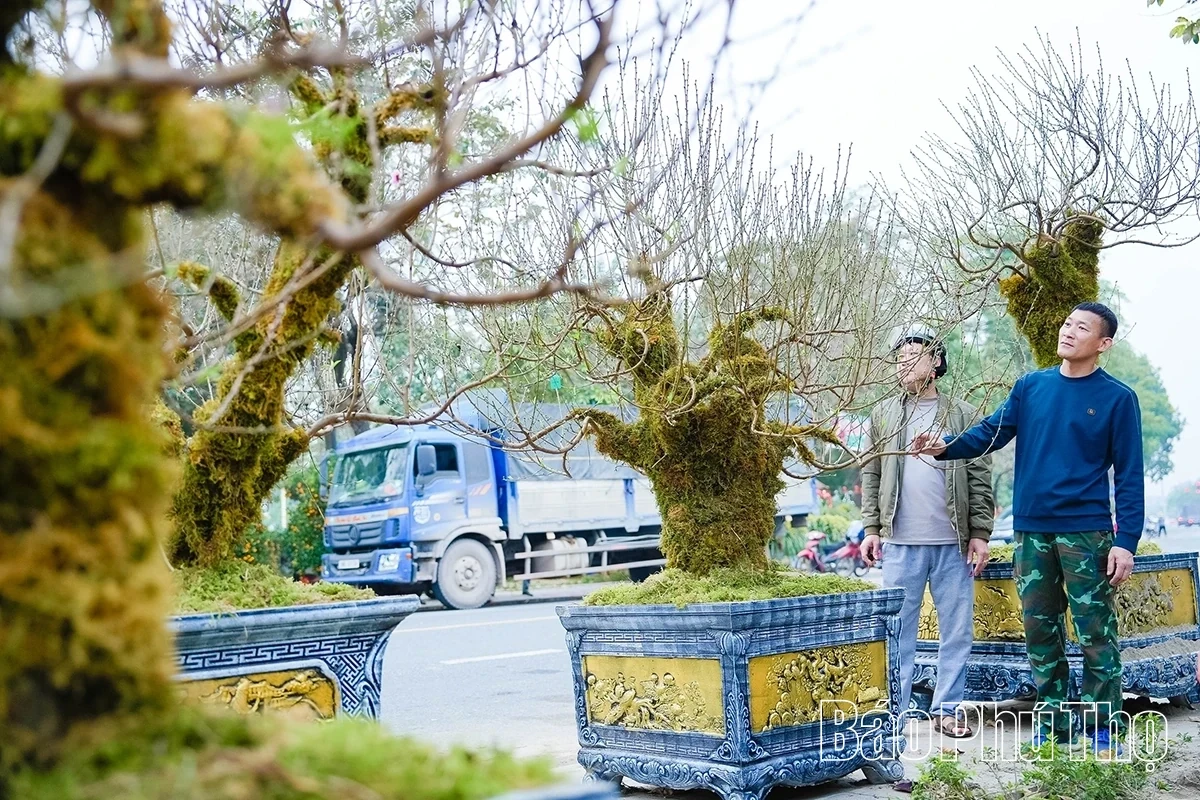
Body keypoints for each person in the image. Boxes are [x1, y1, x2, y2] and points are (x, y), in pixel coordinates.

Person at [912, 302, 1144, 757]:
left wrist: (1125, 542)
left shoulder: (1118, 398)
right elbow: (990, 432)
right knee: (1040, 631)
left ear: (1103, 343)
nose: (1068, 331)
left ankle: (1103, 729)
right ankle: (1054, 726)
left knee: (1095, 632)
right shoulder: (1031, 387)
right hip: (1032, 532)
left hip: (1087, 534)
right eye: (1066, 323)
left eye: (1081, 327)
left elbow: (1130, 477)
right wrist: (945, 448)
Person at [860, 327, 994, 761]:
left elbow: (978, 476)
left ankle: (947, 709)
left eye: (913, 355)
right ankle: (895, 714)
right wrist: (871, 529)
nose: (903, 362)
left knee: (957, 629)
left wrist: (980, 534)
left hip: (953, 543)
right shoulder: (884, 416)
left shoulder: (962, 414)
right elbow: (871, 474)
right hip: (901, 542)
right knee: (898, 630)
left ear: (936, 363)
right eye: (898, 356)